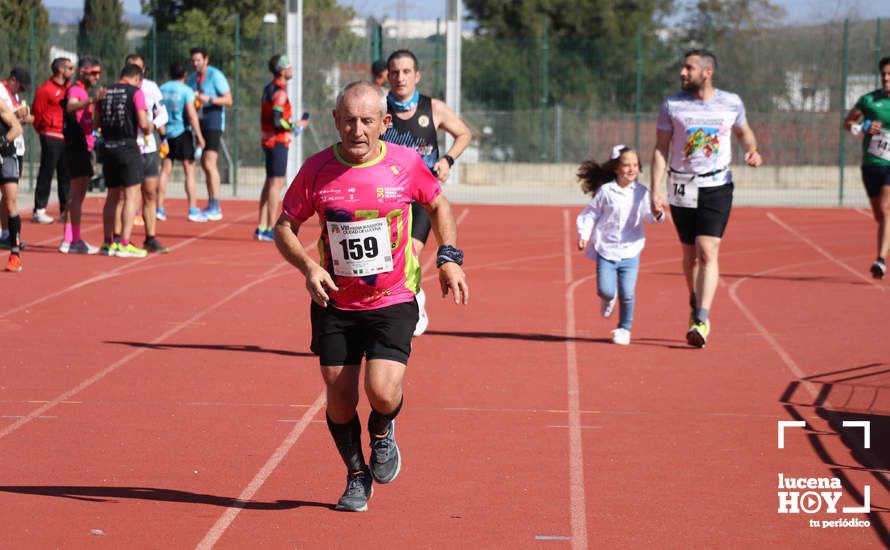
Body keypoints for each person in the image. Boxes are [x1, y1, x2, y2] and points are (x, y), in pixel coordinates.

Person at [274, 81, 468, 512]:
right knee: (340, 400)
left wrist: (449, 257)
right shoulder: (316, 169)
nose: (356, 130)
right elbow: (284, 227)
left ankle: (382, 430)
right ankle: (356, 474)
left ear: (384, 123)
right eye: (348, 120)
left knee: (381, 391)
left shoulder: (405, 163)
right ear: (335, 121)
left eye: (366, 121)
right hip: (335, 302)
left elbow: (438, 206)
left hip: (392, 297)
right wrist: (309, 268)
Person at [650, 49, 762, 348]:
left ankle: (701, 318)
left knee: (707, 251)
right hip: (682, 184)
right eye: (682, 68)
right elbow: (661, 148)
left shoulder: (731, 102)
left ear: (707, 72)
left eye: (689, 68)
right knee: (689, 255)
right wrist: (655, 188)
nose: (682, 73)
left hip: (717, 185)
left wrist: (751, 149)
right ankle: (694, 296)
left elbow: (744, 133)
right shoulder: (672, 105)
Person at [382, 49, 472, 336]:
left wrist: (447, 160)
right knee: (387, 258)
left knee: (410, 252)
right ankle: (409, 296)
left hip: (421, 198)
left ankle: (413, 301)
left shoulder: (433, 108)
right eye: (395, 72)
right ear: (388, 75)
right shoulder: (378, 109)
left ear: (417, 75)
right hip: (386, 198)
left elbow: (464, 133)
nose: (400, 77)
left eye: (406, 72)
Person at [576, 145, 664, 345]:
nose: (631, 169)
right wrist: (584, 234)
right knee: (605, 290)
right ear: (616, 168)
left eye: (635, 165)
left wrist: (658, 213)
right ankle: (609, 298)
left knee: (628, 292)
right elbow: (591, 214)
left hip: (630, 251)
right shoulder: (606, 191)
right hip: (606, 249)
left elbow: (649, 215)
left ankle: (624, 328)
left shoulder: (642, 192)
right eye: (626, 165)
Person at [94, 63, 152, 258]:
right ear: (137, 78)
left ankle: (107, 241)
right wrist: (150, 126)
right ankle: (125, 243)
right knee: (131, 195)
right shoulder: (135, 92)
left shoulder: (104, 91)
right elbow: (143, 123)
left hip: (108, 147)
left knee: (111, 196)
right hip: (127, 146)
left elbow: (96, 122)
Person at [844, 55, 890, 280]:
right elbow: (847, 123)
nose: (886, 78)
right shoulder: (869, 100)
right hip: (871, 164)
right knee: (879, 215)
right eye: (884, 74)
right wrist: (864, 126)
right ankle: (886, 241)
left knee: (886, 208)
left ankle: (880, 260)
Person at [256, 54, 307, 241]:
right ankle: (269, 227)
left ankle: (261, 226)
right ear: (282, 70)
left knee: (270, 182)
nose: (292, 69)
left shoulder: (269, 89)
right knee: (276, 183)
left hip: (269, 140)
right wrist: (296, 125)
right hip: (277, 141)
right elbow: (277, 121)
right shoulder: (280, 92)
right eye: (289, 66)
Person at [59, 56, 103, 255]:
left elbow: (91, 124)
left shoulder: (83, 92)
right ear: (83, 71)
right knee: (77, 196)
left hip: (82, 146)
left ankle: (69, 239)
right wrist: (92, 100)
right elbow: (70, 106)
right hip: (77, 147)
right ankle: (74, 240)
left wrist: (97, 109)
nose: (97, 77)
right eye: (93, 72)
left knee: (74, 195)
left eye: (99, 73)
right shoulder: (76, 90)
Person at [126, 53, 169, 253]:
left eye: (138, 66)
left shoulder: (151, 88)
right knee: (128, 194)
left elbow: (163, 113)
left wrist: (152, 125)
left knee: (150, 193)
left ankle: (150, 237)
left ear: (144, 70)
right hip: (128, 146)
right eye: (131, 65)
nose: (135, 69)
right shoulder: (121, 88)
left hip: (148, 147)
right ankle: (123, 238)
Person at [187, 47, 232, 221]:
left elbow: (229, 100)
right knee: (204, 165)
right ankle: (211, 203)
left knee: (209, 162)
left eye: (198, 60)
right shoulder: (191, 79)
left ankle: (216, 205)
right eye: (193, 61)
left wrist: (209, 99)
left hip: (213, 120)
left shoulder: (215, 75)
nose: (196, 63)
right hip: (198, 122)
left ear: (206, 59)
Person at [159, 61, 206, 222]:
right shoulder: (187, 90)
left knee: (165, 171)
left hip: (166, 132)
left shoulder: (162, 88)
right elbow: (192, 116)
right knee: (189, 171)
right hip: (182, 133)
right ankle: (193, 209)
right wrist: (200, 137)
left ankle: (159, 208)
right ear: (185, 75)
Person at [32, 57, 74, 224]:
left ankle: (65, 211)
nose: (72, 70)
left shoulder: (70, 89)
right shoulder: (45, 90)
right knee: (47, 172)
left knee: (66, 175)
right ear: (61, 70)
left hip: (66, 137)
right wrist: (44, 131)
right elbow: (37, 114)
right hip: (51, 135)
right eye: (69, 68)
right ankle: (39, 210)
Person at [0, 67, 32, 249]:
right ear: (13, 80)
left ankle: (12, 243)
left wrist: (24, 116)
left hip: (9, 151)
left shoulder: (9, 98)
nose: (20, 91)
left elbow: (16, 125)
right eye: (20, 86)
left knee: (9, 198)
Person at [0, 98, 24, 271]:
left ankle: (15, 254)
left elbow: (17, 128)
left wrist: (2, 142)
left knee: (10, 202)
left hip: (6, 155)